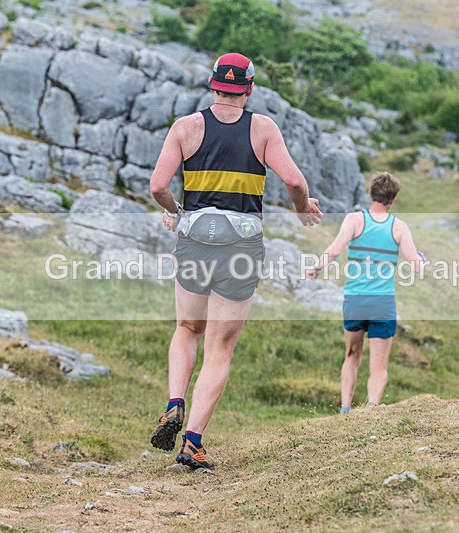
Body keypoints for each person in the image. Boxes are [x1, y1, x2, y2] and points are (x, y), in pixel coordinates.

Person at [148, 52, 323, 470]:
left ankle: (174, 402)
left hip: (194, 238)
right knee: (220, 347)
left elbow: (157, 186)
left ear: (213, 85)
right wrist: (301, 208)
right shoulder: (262, 129)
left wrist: (176, 211)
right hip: (240, 246)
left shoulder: (186, 128)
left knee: (187, 327)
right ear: (249, 88)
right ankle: (192, 442)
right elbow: (295, 180)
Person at [307, 172, 421, 413]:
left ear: (370, 194)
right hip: (383, 304)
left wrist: (316, 267)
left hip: (355, 300)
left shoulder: (354, 220)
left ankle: (346, 409)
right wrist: (422, 259)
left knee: (351, 355)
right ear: (393, 199)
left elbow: (336, 250)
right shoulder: (399, 227)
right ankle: (371, 410)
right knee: (378, 366)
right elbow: (416, 264)